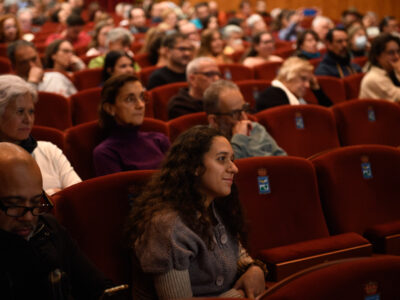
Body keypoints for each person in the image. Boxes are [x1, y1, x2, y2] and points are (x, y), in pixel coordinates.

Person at [127, 125, 267, 299]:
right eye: (222, 159)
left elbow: (238, 253)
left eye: (232, 159)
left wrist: (254, 268)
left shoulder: (217, 205)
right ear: (195, 167)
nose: (234, 168)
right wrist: (237, 296)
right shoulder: (167, 226)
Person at [0, 142, 113, 299]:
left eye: (35, 203)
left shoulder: (48, 228)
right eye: (13, 204)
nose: (28, 217)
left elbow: (99, 288)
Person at [0, 74, 81, 194]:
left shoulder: (49, 150)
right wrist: (53, 194)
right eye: (20, 111)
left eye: (31, 112)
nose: (28, 120)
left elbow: (79, 195)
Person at [93, 74, 170, 176]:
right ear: (110, 108)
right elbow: (119, 191)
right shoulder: (106, 152)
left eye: (142, 97)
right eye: (130, 99)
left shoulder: (159, 139)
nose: (140, 105)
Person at [204, 80, 286, 158]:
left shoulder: (255, 128)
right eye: (235, 113)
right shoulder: (207, 143)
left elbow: (283, 159)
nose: (244, 118)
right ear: (214, 120)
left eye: (244, 108)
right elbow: (230, 167)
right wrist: (239, 138)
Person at [256, 57, 332, 111]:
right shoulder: (271, 97)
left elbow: (329, 111)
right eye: (303, 79)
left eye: (309, 81)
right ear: (288, 76)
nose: (308, 85)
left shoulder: (295, 96)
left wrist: (316, 88)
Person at [8, 40, 77, 97]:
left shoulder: (57, 77)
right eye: (24, 62)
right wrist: (32, 82)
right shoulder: (11, 88)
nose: (32, 66)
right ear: (14, 66)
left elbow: (77, 103)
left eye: (34, 59)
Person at [359, 33, 400, 102]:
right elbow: (398, 99)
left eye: (398, 52)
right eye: (391, 53)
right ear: (377, 56)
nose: (397, 56)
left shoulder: (393, 71)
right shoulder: (374, 78)